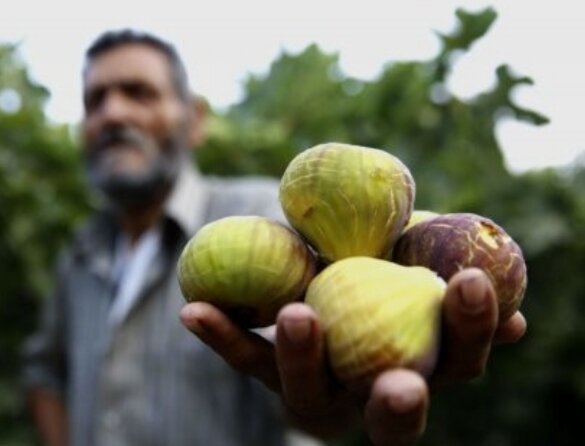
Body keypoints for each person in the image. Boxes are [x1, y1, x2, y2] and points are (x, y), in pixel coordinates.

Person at [22, 29, 527, 446]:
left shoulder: (272, 217)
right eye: (95, 100)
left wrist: (330, 407)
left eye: (138, 92)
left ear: (194, 120)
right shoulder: (81, 251)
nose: (113, 113)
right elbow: (46, 372)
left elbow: (317, 361)